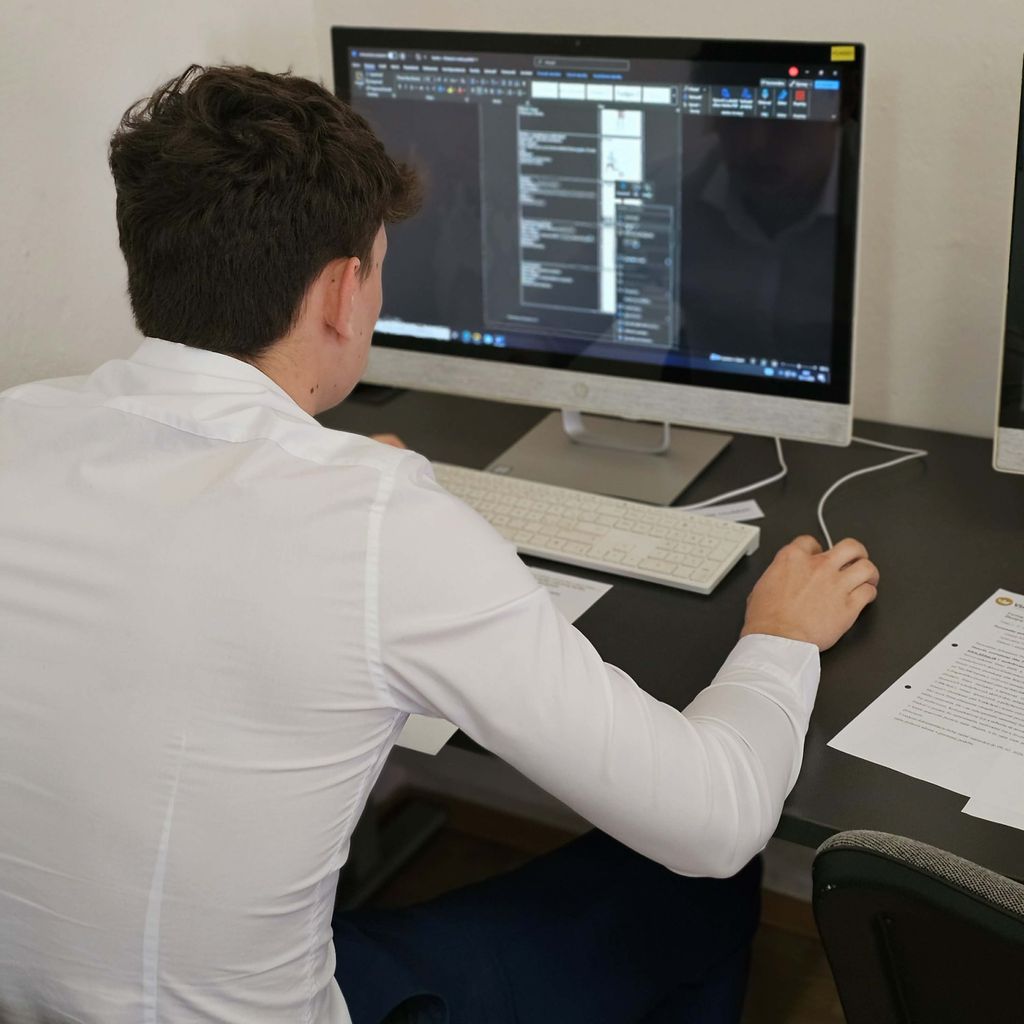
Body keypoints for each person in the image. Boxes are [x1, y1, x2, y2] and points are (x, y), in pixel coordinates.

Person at [0, 66, 879, 1024]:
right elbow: (716, 820)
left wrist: (332, 475)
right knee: (704, 886)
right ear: (343, 292)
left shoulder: (19, 425)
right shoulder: (380, 525)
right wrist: (780, 638)